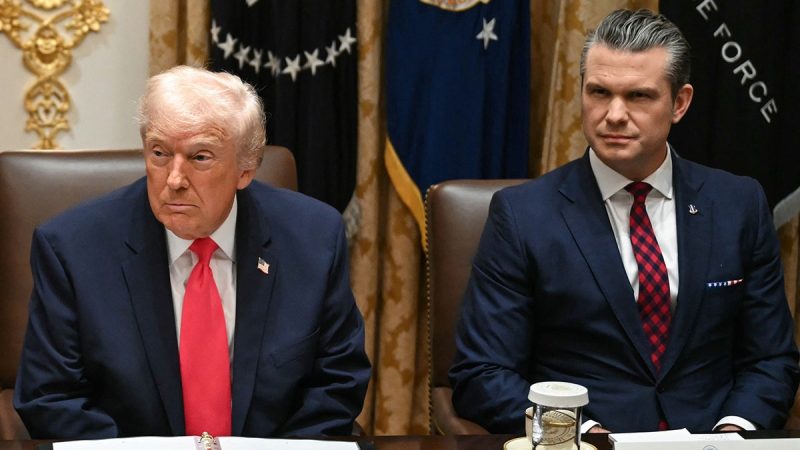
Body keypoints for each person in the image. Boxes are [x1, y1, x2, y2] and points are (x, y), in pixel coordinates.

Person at [449, 9, 799, 434]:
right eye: (599, 92)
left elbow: (770, 360)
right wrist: (578, 433)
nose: (614, 114)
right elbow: (482, 373)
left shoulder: (738, 205)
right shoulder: (523, 216)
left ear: (680, 103)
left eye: (638, 96)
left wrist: (733, 432)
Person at [14, 65, 371, 439]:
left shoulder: (312, 239)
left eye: (200, 157)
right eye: (159, 153)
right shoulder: (73, 250)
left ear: (246, 169)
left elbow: (338, 380)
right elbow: (50, 398)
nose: (174, 180)